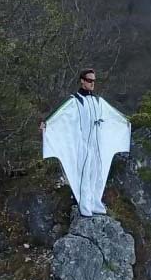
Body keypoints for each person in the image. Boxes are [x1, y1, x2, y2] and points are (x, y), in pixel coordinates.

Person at [40, 69, 132, 217]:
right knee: (84, 174)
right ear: (82, 80)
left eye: (94, 81)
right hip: (83, 145)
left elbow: (112, 114)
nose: (92, 83)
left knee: (98, 173)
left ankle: (95, 201)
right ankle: (84, 205)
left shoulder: (97, 101)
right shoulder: (75, 101)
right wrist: (47, 123)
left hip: (97, 144)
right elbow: (61, 114)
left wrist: (124, 121)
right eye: (89, 80)